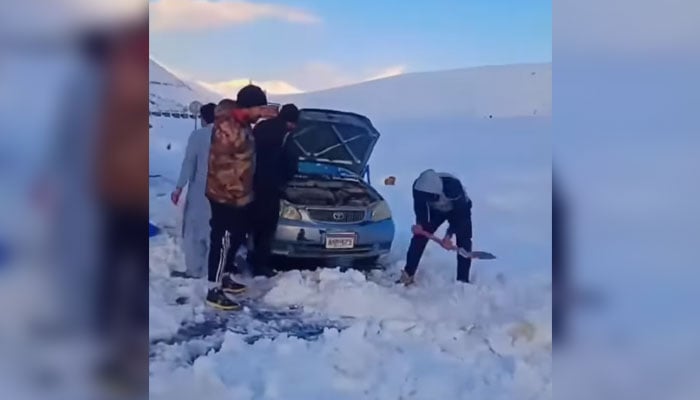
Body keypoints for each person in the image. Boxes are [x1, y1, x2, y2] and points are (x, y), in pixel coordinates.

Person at [205, 86, 277, 310]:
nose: (262, 113)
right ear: (248, 107)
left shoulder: (241, 123)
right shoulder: (228, 124)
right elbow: (229, 155)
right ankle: (213, 289)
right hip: (226, 194)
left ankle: (225, 276)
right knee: (224, 240)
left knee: (234, 238)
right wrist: (238, 193)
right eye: (259, 107)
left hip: (238, 194)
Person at [248, 103, 300, 277]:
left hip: (253, 183)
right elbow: (291, 163)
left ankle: (249, 256)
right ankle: (260, 265)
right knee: (267, 228)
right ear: (292, 122)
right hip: (271, 187)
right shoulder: (287, 135)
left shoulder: (261, 127)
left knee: (253, 224)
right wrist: (284, 182)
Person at [398, 169, 473, 285]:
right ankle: (408, 274)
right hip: (436, 212)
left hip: (459, 210)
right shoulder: (419, 188)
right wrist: (420, 225)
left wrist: (449, 235)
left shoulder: (453, 187)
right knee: (419, 238)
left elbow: (459, 215)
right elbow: (420, 209)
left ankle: (463, 281)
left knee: (464, 242)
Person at [171, 102, 217, 278]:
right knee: (214, 231)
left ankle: (195, 270)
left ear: (203, 118)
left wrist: (179, 188)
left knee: (194, 231)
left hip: (200, 191)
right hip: (222, 192)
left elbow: (189, 163)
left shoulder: (198, 136)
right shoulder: (227, 136)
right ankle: (210, 270)